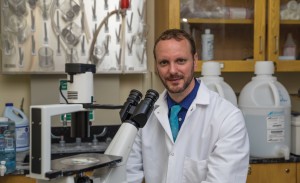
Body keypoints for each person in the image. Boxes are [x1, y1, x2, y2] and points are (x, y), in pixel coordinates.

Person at [126, 29, 249, 183]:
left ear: (195, 60)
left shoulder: (227, 118)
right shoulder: (145, 116)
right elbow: (127, 174)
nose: (172, 70)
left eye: (180, 61)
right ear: (156, 66)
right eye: (164, 62)